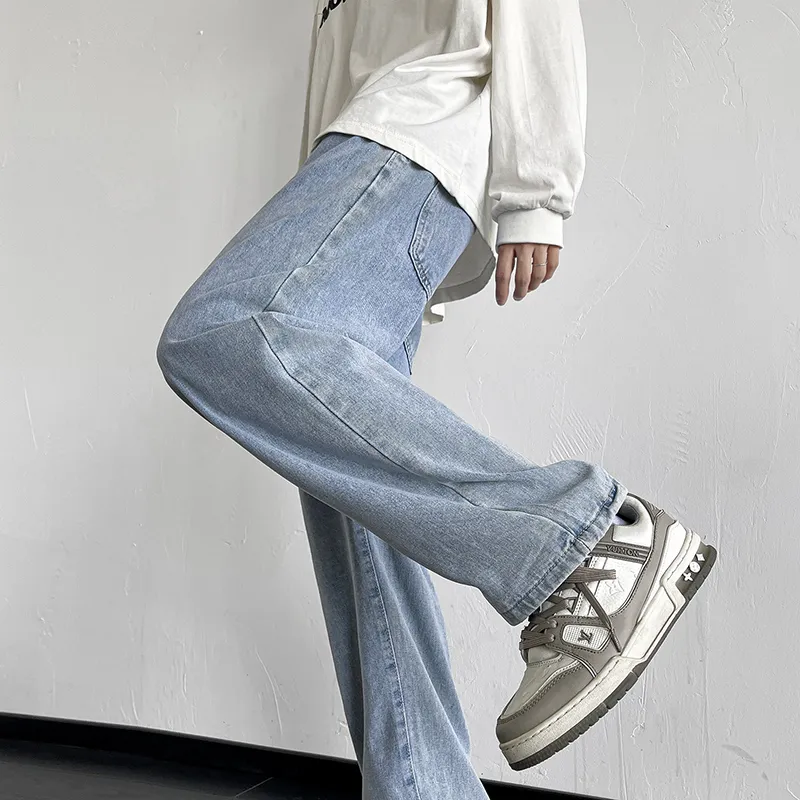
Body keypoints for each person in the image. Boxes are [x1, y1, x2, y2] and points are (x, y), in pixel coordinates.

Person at [155, 0, 717, 795]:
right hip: (365, 156)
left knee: (220, 331)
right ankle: (425, 788)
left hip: (415, 131)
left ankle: (581, 542)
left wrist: (535, 190)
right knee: (356, 499)